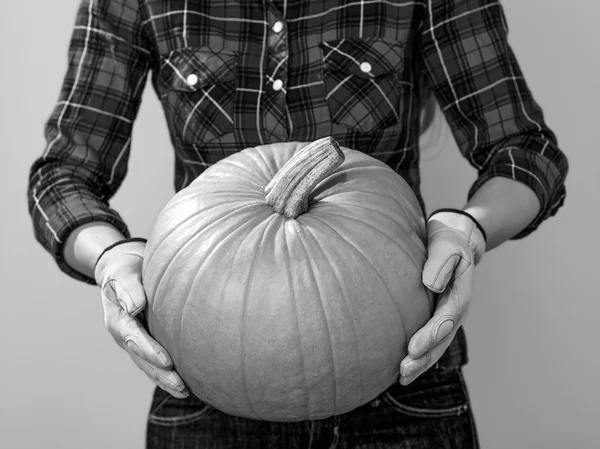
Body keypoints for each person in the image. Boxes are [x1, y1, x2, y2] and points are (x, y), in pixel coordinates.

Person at [28, 0, 568, 448]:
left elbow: (525, 153)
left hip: (403, 379)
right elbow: (63, 177)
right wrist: (110, 258)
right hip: (203, 384)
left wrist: (466, 231)